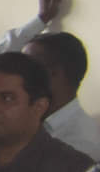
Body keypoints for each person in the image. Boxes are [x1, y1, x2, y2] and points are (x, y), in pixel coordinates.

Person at [22, 31, 100, 159]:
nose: (17, 76)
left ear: (54, 73)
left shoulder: (81, 145)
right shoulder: (31, 123)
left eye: (26, 68)